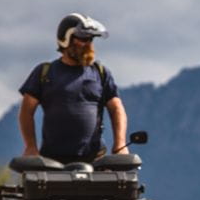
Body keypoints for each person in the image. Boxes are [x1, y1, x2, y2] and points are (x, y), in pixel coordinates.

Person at [18, 13, 128, 163]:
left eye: (90, 39)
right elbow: (26, 110)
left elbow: (116, 108)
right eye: (83, 39)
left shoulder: (101, 73)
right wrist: (31, 147)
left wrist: (120, 145)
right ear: (65, 39)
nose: (88, 44)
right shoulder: (44, 72)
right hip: (52, 163)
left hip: (95, 161)